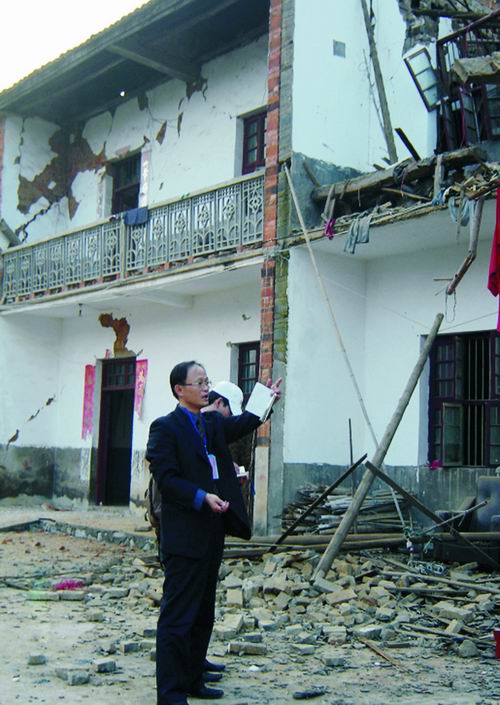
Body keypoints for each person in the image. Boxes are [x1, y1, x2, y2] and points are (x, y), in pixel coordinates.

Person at [146, 361, 281, 705]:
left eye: (207, 381)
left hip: (211, 532)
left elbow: (246, 422)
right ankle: (170, 693)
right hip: (183, 535)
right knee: (178, 616)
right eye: (199, 382)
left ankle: (193, 679)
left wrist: (266, 397)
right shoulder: (165, 428)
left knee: (203, 611)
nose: (206, 388)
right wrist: (200, 496)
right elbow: (167, 478)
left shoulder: (211, 424)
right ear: (180, 390)